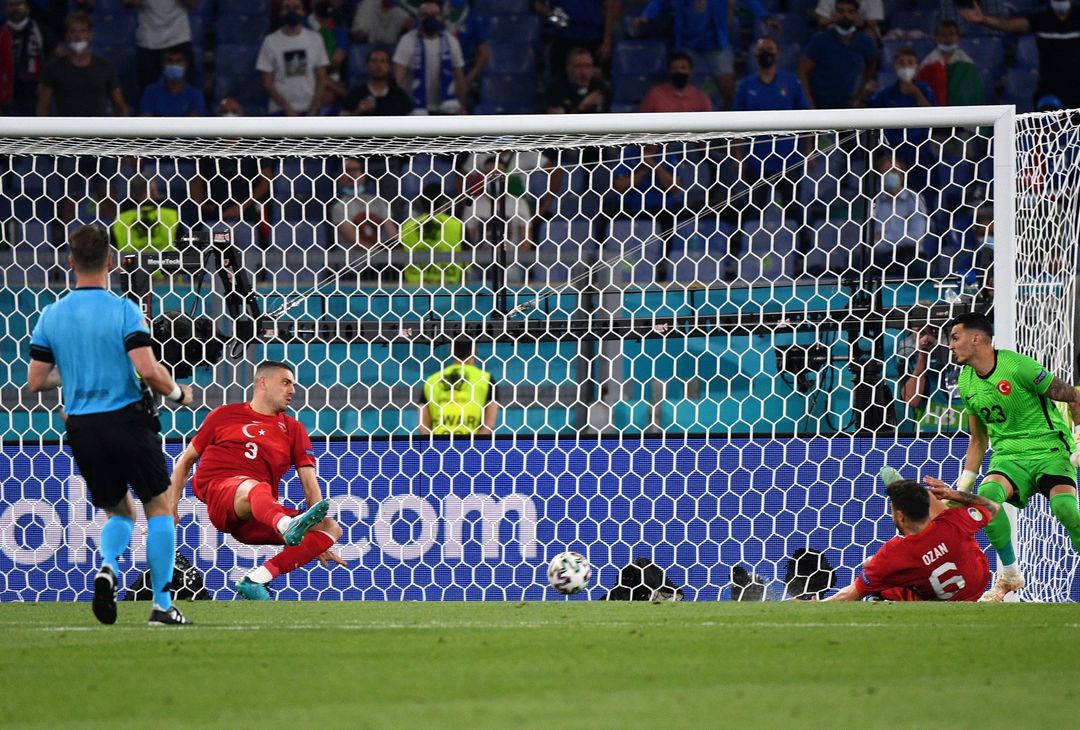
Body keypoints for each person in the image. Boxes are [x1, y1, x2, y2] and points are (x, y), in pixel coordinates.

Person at [27, 224, 194, 625]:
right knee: (159, 507)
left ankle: (108, 567)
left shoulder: (52, 314)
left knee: (119, 512)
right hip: (126, 421)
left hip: (82, 428)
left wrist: (77, 371)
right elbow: (148, 371)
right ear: (111, 261)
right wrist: (179, 395)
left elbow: (36, 381)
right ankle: (161, 605)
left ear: (70, 261)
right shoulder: (124, 310)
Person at [169, 361, 344, 600]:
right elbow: (185, 461)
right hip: (223, 496)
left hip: (259, 515)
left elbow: (309, 483)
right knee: (253, 486)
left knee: (330, 527)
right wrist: (170, 506)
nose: (292, 390)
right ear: (263, 383)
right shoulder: (223, 415)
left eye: (293, 384)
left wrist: (317, 539)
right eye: (285, 383)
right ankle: (286, 525)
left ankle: (256, 580)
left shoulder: (293, 429)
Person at [946, 311, 1080, 601]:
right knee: (987, 499)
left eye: (955, 337)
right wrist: (960, 491)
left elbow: (1074, 396)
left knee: (1067, 510)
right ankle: (1009, 575)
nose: (951, 345)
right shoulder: (966, 382)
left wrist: (1079, 438)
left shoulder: (1019, 366)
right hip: (1008, 457)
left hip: (1049, 450)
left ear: (976, 338)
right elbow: (978, 440)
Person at [826, 475, 996, 601]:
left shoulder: (894, 554)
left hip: (942, 602)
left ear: (900, 516)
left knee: (875, 570)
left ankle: (880, 599)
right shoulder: (954, 520)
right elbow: (993, 507)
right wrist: (952, 494)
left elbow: (850, 594)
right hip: (978, 587)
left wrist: (818, 604)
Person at [635, 0, 777, 110]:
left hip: (716, 44)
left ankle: (731, 134)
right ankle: (689, 136)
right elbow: (661, 1)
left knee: (729, 93)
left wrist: (765, 16)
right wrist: (646, 15)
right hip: (686, 44)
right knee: (683, 92)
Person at [960, 0, 1080, 109]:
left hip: (1076, 86)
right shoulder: (1042, 18)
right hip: (1049, 87)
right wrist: (984, 20)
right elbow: (1009, 25)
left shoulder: (1077, 15)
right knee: (1047, 127)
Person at [37, 11, 127, 117]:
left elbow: (120, 106)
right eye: (73, 31)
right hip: (66, 130)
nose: (78, 36)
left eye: (82, 31)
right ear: (67, 36)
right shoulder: (53, 68)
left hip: (98, 131)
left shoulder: (105, 67)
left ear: (90, 35)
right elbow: (42, 108)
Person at [798, 0, 877, 109]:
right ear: (834, 14)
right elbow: (802, 72)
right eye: (841, 11)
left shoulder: (865, 41)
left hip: (848, 104)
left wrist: (859, 95)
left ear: (856, 15)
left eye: (850, 12)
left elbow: (871, 66)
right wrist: (809, 103)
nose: (845, 15)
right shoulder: (820, 40)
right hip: (820, 103)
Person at [393, 1, 468, 114]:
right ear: (418, 18)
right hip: (414, 108)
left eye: (434, 15)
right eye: (425, 15)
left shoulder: (451, 42)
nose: (430, 19)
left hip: (445, 108)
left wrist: (462, 106)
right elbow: (398, 81)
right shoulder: (407, 40)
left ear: (441, 17)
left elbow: (459, 78)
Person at [257, 0, 330, 116]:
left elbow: (322, 79)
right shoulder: (270, 41)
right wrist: (286, 108)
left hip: (309, 109)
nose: (292, 11)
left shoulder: (315, 39)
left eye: (296, 8)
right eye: (287, 7)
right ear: (281, 12)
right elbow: (267, 82)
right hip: (279, 110)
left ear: (303, 12)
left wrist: (313, 109)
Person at [419, 339, 498, 436]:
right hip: (471, 445)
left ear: (450, 352)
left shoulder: (432, 380)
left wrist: (433, 446)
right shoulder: (486, 379)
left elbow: (422, 424)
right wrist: (475, 446)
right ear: (475, 352)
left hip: (439, 445)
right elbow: (490, 423)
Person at [124, 0, 198, 99]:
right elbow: (127, 4)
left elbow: (192, 4)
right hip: (149, 42)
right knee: (148, 95)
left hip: (178, 39)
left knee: (186, 95)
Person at [869, 154, 929, 277]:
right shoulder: (874, 203)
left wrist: (884, 237)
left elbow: (915, 237)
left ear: (902, 175)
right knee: (857, 261)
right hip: (881, 256)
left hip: (908, 254)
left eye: (894, 171)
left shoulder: (915, 200)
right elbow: (870, 239)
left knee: (921, 268)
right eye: (885, 172)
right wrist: (898, 238)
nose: (890, 175)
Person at [896, 322, 961, 433]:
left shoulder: (962, 358)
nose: (927, 338)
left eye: (933, 332)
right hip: (926, 435)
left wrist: (937, 346)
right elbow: (912, 400)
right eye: (921, 333)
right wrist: (922, 356)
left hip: (963, 432)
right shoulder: (908, 359)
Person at [399, 184, 466, 287]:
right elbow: (469, 259)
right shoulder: (457, 225)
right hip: (450, 292)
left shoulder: (407, 226)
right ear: (444, 202)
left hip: (415, 293)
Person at [533, 0, 619, 77]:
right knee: (560, 83)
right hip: (562, 37)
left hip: (594, 37)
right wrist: (551, 14)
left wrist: (607, 40)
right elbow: (536, 3)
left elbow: (610, 5)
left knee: (594, 82)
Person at [0, 0, 57, 116]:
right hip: (6, 98)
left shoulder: (42, 31)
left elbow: (56, 61)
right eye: (11, 5)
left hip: (37, 96)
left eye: (19, 4)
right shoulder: (1, 34)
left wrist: (46, 83)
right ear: (5, 8)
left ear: (27, 7)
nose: (15, 8)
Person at [916, 20, 985, 107]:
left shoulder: (967, 64)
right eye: (943, 35)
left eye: (951, 34)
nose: (948, 38)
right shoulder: (927, 63)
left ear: (958, 37)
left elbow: (973, 93)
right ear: (936, 37)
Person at [111, 176, 180, 253]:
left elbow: (112, 252)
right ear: (153, 192)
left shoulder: (120, 220)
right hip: (166, 263)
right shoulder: (172, 215)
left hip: (130, 263)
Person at [341, 46, 413, 116]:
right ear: (367, 66)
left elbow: (411, 124)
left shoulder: (400, 96)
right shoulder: (354, 94)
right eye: (374, 61)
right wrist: (357, 112)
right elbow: (341, 121)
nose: (378, 65)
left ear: (389, 67)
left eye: (383, 61)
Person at [139, 45, 205, 117]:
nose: (174, 64)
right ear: (163, 64)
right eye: (169, 61)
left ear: (186, 65)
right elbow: (145, 122)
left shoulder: (195, 95)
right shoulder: (150, 92)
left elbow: (194, 125)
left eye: (178, 61)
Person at [638, 52, 712, 113]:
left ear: (691, 71)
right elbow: (641, 122)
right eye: (674, 68)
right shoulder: (655, 94)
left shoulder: (701, 97)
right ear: (669, 71)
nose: (679, 71)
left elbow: (710, 124)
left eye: (683, 68)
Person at [544, 46, 610, 114]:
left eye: (588, 66)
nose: (584, 72)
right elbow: (557, 121)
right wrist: (581, 107)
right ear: (568, 69)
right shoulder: (555, 88)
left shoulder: (600, 88)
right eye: (578, 66)